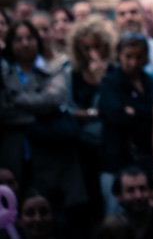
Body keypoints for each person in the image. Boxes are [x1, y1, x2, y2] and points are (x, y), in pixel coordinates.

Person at [0, 20, 88, 216]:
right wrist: (38, 111)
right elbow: (3, 110)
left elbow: (53, 100)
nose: (25, 44)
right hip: (13, 154)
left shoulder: (53, 68)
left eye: (29, 38)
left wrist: (16, 100)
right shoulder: (4, 73)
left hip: (51, 154)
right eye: (18, 39)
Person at [99, 33, 153, 214]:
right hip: (116, 159)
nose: (133, 62)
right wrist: (139, 113)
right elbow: (114, 115)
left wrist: (134, 110)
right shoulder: (110, 82)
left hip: (145, 157)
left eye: (138, 57)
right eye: (128, 57)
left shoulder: (150, 82)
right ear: (119, 56)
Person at [68, 15, 118, 220]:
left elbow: (113, 108)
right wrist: (92, 114)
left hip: (110, 145)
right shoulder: (72, 74)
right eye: (86, 48)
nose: (92, 53)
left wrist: (101, 78)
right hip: (82, 147)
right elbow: (68, 109)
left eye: (97, 46)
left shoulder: (115, 73)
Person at [114, 0, 153, 78]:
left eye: (133, 12)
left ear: (143, 15)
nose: (128, 17)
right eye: (122, 14)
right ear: (115, 20)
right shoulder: (110, 53)